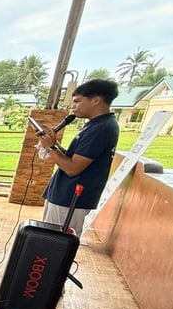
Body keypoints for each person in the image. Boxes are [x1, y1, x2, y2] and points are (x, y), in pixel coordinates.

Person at [38, 79, 121, 234]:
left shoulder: (101, 129)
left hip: (71, 198)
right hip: (64, 196)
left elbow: (72, 168)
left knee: (55, 242)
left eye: (77, 101)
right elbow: (73, 158)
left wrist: (50, 147)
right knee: (47, 239)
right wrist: (53, 144)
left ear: (96, 100)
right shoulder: (96, 125)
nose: (73, 106)